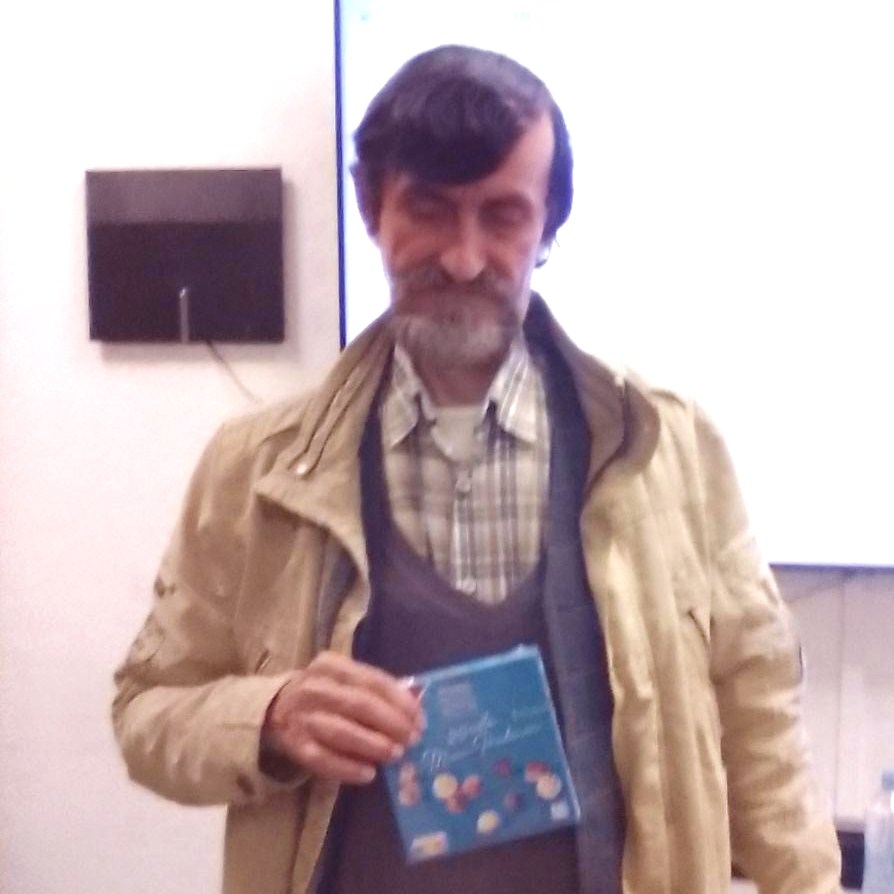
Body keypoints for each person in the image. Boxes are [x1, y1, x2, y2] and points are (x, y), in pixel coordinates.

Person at [112, 45, 842, 894]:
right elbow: (146, 710)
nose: (462, 258)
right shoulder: (255, 473)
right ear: (372, 207)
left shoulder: (666, 450)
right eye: (429, 208)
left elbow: (759, 726)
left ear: (548, 228)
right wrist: (269, 717)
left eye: (503, 216)